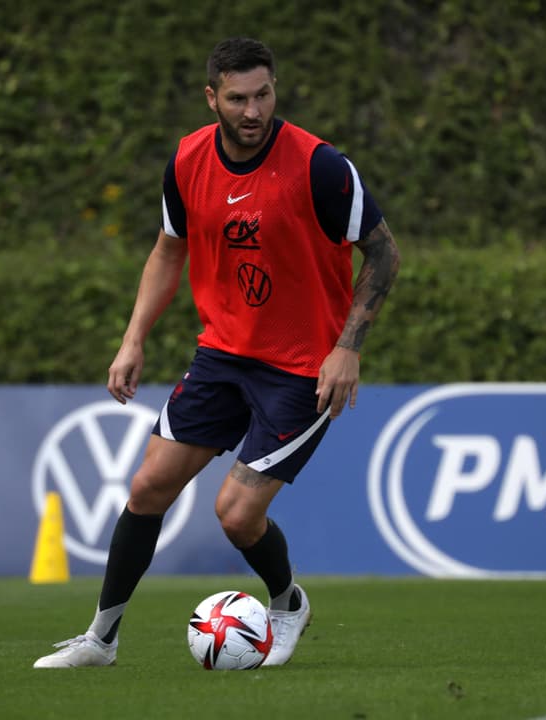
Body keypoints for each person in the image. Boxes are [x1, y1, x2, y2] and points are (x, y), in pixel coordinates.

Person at [34, 37, 400, 669]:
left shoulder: (320, 166)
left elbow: (385, 253)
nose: (253, 110)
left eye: (263, 94)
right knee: (148, 486)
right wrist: (133, 338)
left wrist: (347, 348)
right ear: (213, 99)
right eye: (238, 98)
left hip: (302, 367)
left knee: (234, 514)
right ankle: (101, 638)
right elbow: (168, 249)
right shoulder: (187, 161)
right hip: (223, 356)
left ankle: (287, 603)